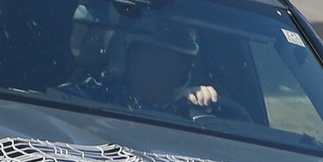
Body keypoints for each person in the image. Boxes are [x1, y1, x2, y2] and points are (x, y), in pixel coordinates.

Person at [59, 20, 220, 117]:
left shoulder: (186, 110)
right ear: (124, 56)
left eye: (176, 65)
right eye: (153, 60)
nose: (163, 71)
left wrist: (197, 103)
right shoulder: (87, 96)